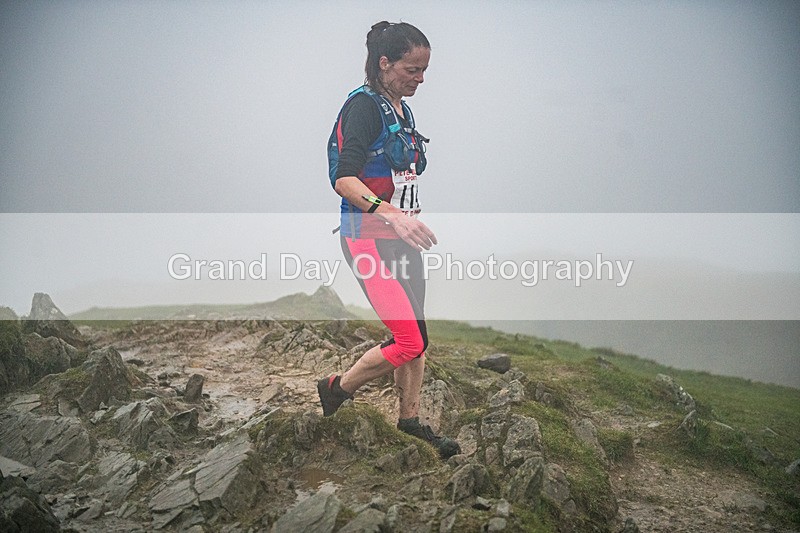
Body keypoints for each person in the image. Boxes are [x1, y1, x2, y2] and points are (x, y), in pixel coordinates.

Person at [318, 21, 460, 459]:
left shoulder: (401, 109)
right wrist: (391, 216)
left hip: (403, 240)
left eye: (424, 70)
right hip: (368, 241)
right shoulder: (361, 109)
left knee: (418, 336)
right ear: (384, 63)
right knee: (409, 340)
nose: (421, 79)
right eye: (412, 70)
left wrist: (404, 221)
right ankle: (336, 388)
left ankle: (409, 421)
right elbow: (344, 179)